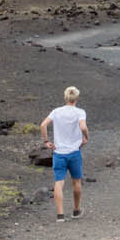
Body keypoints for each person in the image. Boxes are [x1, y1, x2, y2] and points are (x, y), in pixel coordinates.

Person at [40, 85, 89, 221]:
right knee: (76, 181)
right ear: (77, 98)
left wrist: (46, 141)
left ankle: (60, 215)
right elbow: (83, 126)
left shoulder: (56, 111)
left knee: (59, 182)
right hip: (74, 152)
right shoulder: (80, 112)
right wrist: (86, 137)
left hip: (59, 153)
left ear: (65, 97)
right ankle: (76, 210)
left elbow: (43, 125)